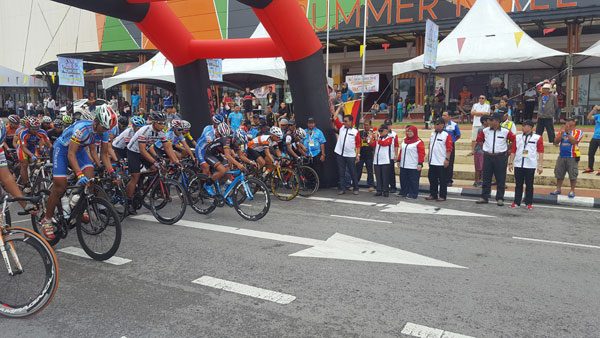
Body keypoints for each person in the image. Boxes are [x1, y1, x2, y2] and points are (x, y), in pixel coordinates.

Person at [40, 105, 117, 239]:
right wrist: (79, 174)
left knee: (91, 177)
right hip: (62, 149)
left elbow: (103, 154)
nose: (105, 131)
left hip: (79, 150)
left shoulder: (102, 131)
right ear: (96, 121)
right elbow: (70, 154)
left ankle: (76, 204)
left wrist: (111, 172)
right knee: (60, 186)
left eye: (107, 129)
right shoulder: (82, 129)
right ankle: (46, 219)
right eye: (104, 128)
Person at [125, 111, 180, 211]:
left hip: (145, 150)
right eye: (160, 123)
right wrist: (155, 161)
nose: (162, 125)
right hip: (134, 151)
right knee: (135, 176)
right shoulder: (145, 130)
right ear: (154, 122)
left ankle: (144, 186)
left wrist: (175, 161)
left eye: (164, 123)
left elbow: (167, 147)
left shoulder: (162, 132)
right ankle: (128, 201)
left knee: (157, 169)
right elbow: (141, 150)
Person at [475, 114, 516, 206]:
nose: (488, 122)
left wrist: (508, 149)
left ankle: (500, 198)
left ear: (497, 121)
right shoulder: (485, 131)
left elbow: (514, 140)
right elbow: (479, 140)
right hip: (488, 156)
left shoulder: (505, 131)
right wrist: (485, 148)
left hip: (500, 157)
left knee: (501, 178)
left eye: (491, 120)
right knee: (486, 177)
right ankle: (484, 197)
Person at [510, 120, 544, 210]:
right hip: (518, 163)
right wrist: (510, 162)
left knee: (529, 184)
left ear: (530, 127)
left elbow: (541, 152)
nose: (523, 127)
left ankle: (528, 202)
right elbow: (513, 150)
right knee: (518, 184)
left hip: (530, 164)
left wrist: (540, 165)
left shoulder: (537, 138)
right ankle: (516, 201)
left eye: (525, 126)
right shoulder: (517, 137)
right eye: (523, 126)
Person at [551, 117, 583, 198]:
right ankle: (558, 189)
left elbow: (574, 142)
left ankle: (572, 190)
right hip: (561, 155)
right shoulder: (562, 131)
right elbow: (555, 142)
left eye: (569, 121)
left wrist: (568, 133)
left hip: (572, 156)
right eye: (567, 121)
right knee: (559, 173)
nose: (567, 122)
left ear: (574, 122)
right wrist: (561, 134)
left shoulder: (578, 132)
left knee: (573, 174)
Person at [425, 118, 453, 201]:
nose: (435, 126)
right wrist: (428, 156)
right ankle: (433, 194)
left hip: (441, 162)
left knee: (442, 180)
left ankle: (442, 196)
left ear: (442, 125)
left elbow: (449, 148)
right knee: (432, 179)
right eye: (435, 124)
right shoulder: (432, 134)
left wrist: (447, 159)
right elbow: (430, 145)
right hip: (432, 161)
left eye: (437, 124)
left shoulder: (446, 135)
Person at [333, 114, 360, 195]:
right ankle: (342, 188)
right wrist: (340, 108)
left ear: (351, 122)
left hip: (350, 155)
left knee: (352, 172)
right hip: (340, 153)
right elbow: (334, 117)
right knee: (341, 172)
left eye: (346, 121)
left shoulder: (355, 132)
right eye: (343, 121)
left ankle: (356, 188)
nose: (344, 122)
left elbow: (358, 144)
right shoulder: (341, 127)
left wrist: (358, 155)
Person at [398, 125, 425, 199]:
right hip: (404, 164)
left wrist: (420, 163)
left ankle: (413, 194)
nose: (409, 133)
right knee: (403, 179)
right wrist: (399, 160)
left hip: (413, 165)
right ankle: (404, 192)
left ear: (415, 132)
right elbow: (401, 151)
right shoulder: (404, 140)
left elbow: (421, 153)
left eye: (410, 131)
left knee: (413, 181)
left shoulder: (418, 142)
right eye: (408, 131)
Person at [371, 125, 393, 197]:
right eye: (379, 131)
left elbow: (385, 144)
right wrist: (372, 137)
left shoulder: (389, 138)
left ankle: (386, 191)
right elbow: (371, 144)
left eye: (381, 131)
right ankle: (379, 190)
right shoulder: (378, 139)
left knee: (385, 177)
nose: (380, 132)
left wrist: (377, 139)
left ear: (386, 131)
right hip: (377, 160)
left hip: (385, 161)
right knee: (378, 177)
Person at [442, 111, 460, 186]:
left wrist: (452, 141)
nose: (443, 117)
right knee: (442, 162)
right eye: (443, 115)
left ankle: (449, 180)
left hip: (450, 145)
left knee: (450, 162)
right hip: (441, 145)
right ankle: (442, 179)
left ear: (449, 116)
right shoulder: (440, 124)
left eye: (445, 115)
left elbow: (458, 135)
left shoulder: (454, 125)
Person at [356, 119, 375, 192]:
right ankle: (355, 183)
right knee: (358, 169)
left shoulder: (372, 133)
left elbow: (374, 143)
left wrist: (370, 137)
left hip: (369, 154)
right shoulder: (360, 133)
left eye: (367, 125)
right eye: (364, 125)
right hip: (361, 154)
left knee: (370, 170)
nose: (365, 126)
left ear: (370, 125)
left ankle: (371, 185)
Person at [472, 116, 489, 187]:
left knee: (482, 167)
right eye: (488, 120)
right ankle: (477, 181)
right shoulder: (482, 129)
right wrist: (485, 148)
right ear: (484, 121)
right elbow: (480, 141)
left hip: (482, 150)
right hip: (480, 150)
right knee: (479, 167)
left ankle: (480, 180)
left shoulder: (485, 129)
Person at [583, 105, 600, 175]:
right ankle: (590, 167)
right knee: (591, 153)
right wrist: (593, 110)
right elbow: (589, 117)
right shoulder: (598, 116)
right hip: (595, 137)